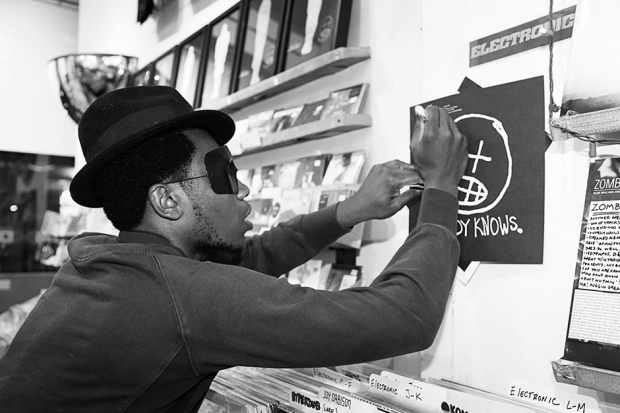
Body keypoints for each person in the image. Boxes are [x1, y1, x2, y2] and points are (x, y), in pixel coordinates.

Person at [0, 86, 468, 412]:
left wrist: (347, 211)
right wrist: (443, 187)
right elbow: (404, 317)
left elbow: (249, 261)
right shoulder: (178, 298)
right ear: (167, 199)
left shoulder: (113, 268)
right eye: (224, 172)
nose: (242, 189)